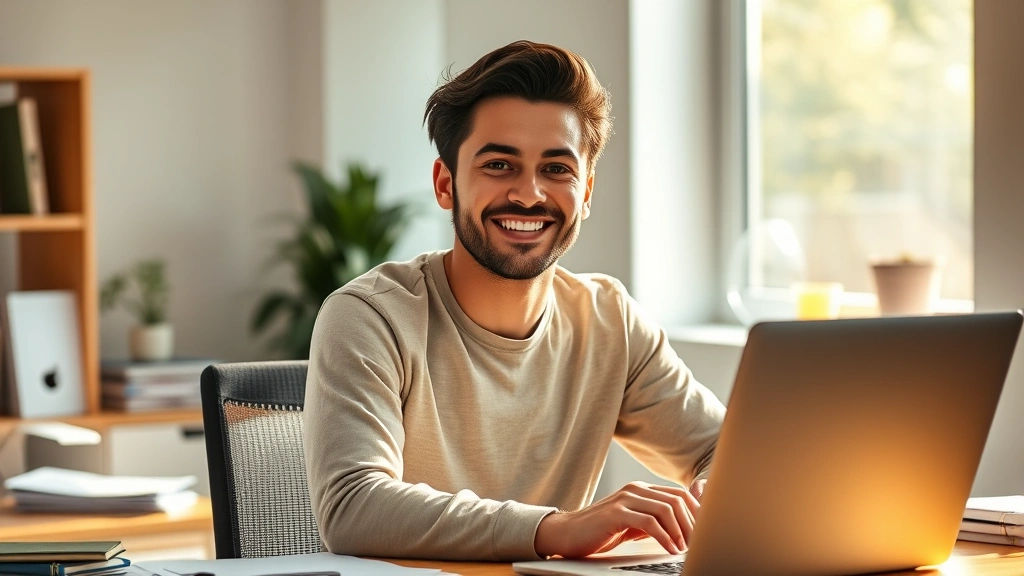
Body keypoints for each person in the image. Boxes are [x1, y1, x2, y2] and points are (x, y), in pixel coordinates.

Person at [303, 40, 726, 562]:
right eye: (500, 165)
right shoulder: (371, 317)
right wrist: (554, 529)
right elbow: (353, 507)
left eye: (557, 169)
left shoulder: (608, 319)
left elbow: (726, 451)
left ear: (586, 192)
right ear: (445, 184)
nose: (529, 194)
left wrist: (717, 499)